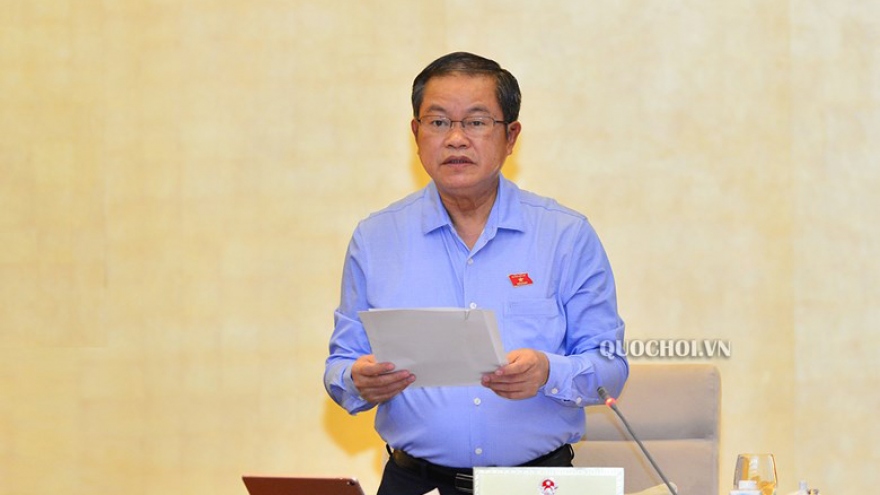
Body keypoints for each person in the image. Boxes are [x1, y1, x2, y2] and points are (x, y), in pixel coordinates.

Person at [324, 51, 628, 495]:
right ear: (416, 133)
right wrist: (358, 380)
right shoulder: (375, 239)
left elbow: (610, 367)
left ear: (511, 136)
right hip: (414, 482)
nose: (456, 139)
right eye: (438, 122)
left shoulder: (565, 236)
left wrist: (548, 371)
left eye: (477, 122)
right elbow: (339, 367)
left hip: (537, 484)